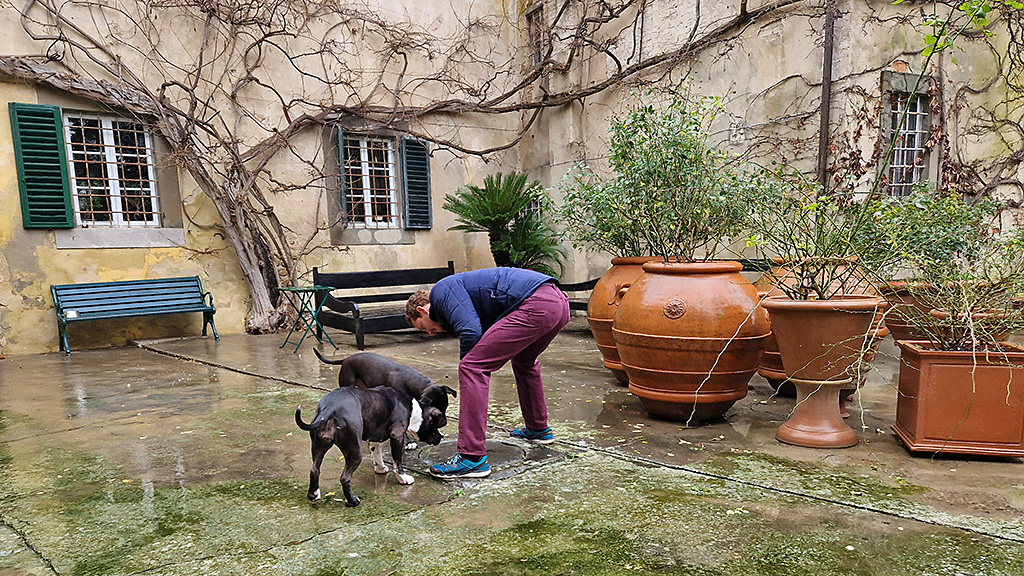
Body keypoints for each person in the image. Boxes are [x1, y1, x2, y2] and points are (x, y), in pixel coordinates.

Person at [405, 267, 570, 479]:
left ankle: (471, 458)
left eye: (423, 328)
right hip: (557, 303)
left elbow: (471, 331)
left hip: (537, 304)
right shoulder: (460, 297)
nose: (429, 333)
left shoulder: (442, 291)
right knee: (524, 361)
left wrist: (470, 364)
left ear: (422, 311)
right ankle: (538, 429)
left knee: (472, 367)